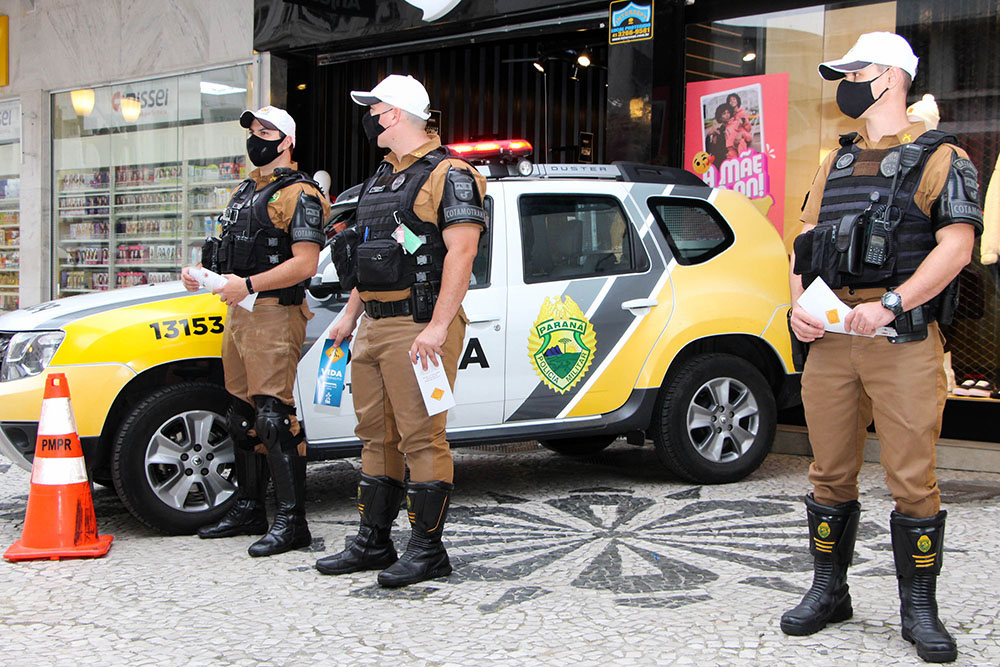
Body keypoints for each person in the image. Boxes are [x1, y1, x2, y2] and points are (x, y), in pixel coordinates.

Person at [783, 32, 982, 664]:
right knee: (828, 472)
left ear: (891, 77)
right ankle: (828, 591)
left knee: (912, 481)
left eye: (855, 71)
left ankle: (918, 608)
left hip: (902, 339)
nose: (843, 83)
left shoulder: (943, 158)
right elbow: (805, 243)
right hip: (834, 340)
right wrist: (800, 310)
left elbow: (956, 247)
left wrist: (892, 302)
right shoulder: (833, 162)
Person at [314, 75, 486, 588]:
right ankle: (374, 542)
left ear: (394, 114)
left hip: (418, 326)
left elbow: (462, 252)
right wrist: (349, 315)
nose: (368, 118)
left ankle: (428, 551)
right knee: (374, 436)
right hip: (373, 324)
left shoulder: (451, 174)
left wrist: (436, 327)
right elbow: (371, 254)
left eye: (374, 109)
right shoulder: (381, 177)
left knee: (422, 438)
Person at [180, 106, 329, 557]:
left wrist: (245, 284)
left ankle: (292, 521)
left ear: (286, 141)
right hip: (240, 311)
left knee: (273, 415)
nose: (256, 138)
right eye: (253, 130)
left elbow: (305, 262)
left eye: (266, 131)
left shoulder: (299, 193)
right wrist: (205, 274)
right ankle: (249, 507)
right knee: (241, 415)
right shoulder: (247, 190)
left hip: (272, 312)